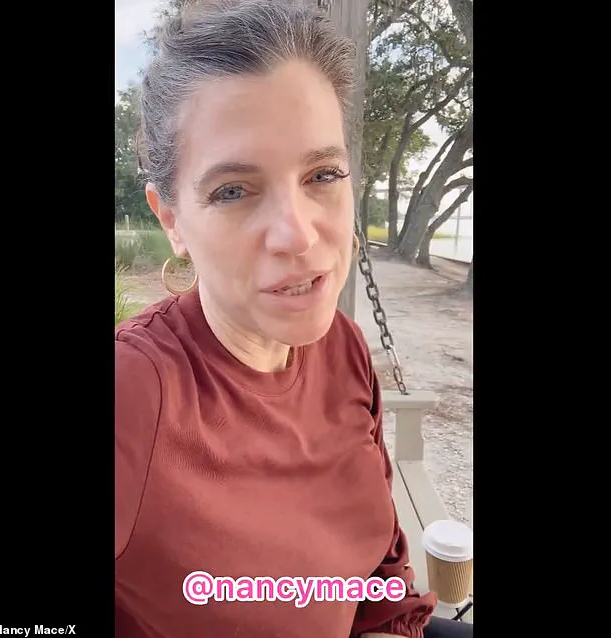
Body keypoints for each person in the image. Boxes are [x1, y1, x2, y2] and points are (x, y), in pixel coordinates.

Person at [115, 1, 473, 636]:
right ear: (172, 220)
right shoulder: (134, 394)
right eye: (233, 190)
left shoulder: (344, 349)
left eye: (322, 174)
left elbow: (381, 579)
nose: (298, 234)